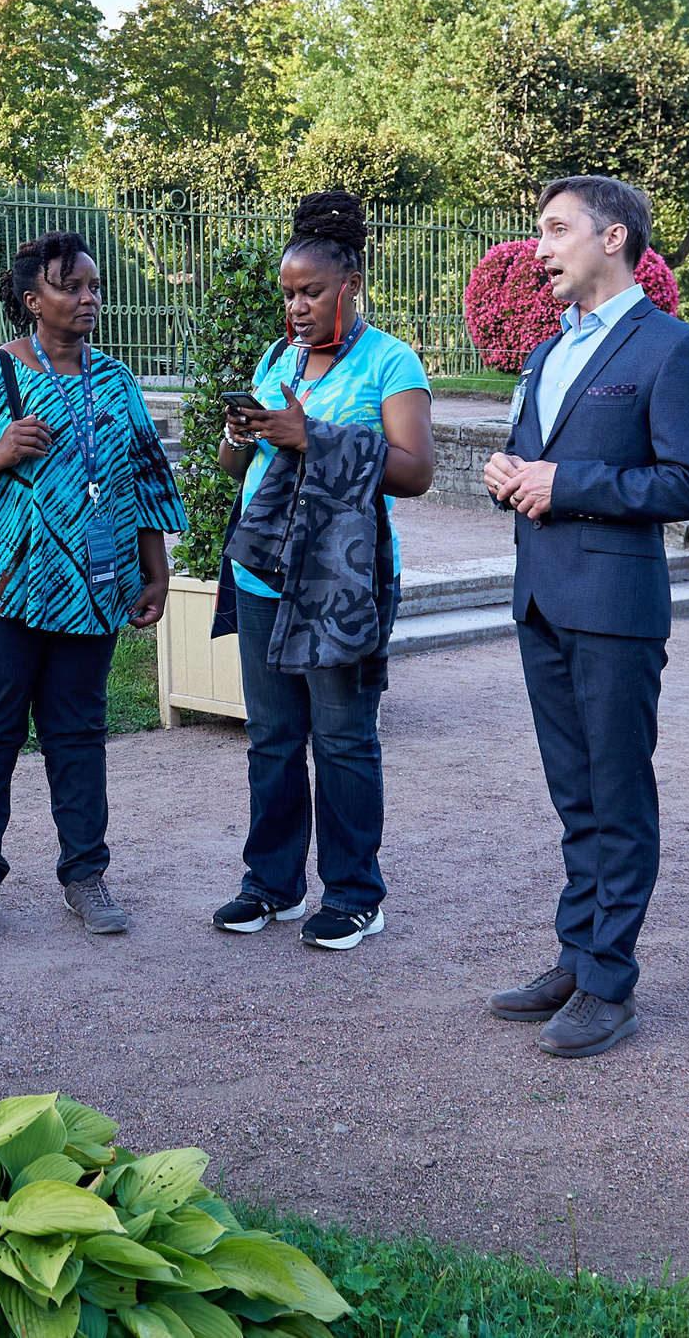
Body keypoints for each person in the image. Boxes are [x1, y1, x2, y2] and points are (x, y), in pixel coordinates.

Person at [480, 175, 689, 1059]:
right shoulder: (547, 351)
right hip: (541, 598)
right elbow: (539, 458)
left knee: (617, 795)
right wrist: (510, 474)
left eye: (555, 230)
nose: (538, 247)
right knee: (574, 796)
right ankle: (577, 956)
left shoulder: (676, 347)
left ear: (613, 237)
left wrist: (566, 483)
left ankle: (610, 982)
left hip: (616, 609)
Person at [0, 231, 185, 937]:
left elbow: (146, 477)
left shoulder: (114, 380)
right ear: (32, 300)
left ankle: (85, 874)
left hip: (95, 583)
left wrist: (156, 569)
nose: (89, 298)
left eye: (94, 286)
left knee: (79, 729)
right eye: (71, 286)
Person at [211, 192, 434, 951]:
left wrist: (313, 436)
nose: (296, 307)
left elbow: (415, 470)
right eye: (288, 293)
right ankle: (271, 885)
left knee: (342, 738)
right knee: (272, 736)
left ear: (350, 285)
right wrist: (242, 434)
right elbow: (235, 467)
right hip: (263, 573)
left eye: (310, 291)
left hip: (339, 581)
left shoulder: (390, 361)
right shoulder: (277, 359)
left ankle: (354, 893)